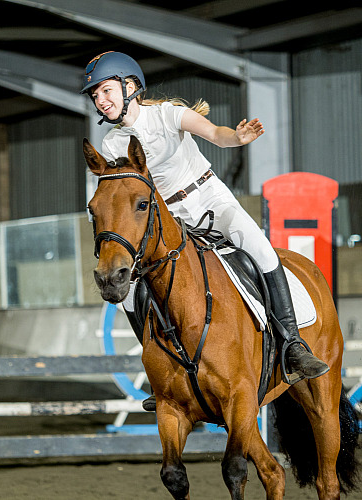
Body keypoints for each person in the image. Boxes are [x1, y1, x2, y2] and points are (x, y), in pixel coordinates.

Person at [81, 52, 329, 408]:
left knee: (259, 248)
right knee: (131, 290)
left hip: (208, 198)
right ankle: (158, 365)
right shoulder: (111, 145)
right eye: (95, 96)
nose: (101, 101)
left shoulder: (168, 114)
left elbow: (216, 134)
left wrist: (238, 137)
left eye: (106, 91)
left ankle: (292, 343)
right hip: (166, 219)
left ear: (130, 86)